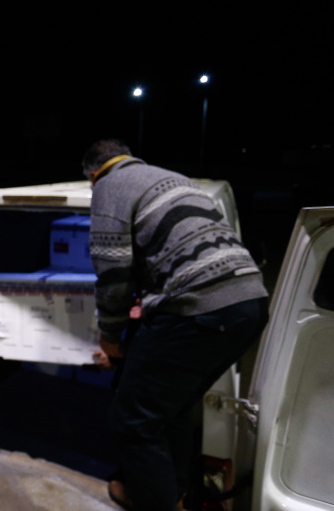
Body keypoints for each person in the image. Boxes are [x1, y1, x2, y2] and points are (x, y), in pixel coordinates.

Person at [83, 139, 268, 510]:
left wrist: (110, 336)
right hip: (250, 301)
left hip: (198, 304)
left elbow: (113, 269)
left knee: (133, 420)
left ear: (92, 173)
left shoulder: (109, 186)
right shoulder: (174, 179)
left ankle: (158, 502)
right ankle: (179, 496)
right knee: (173, 408)